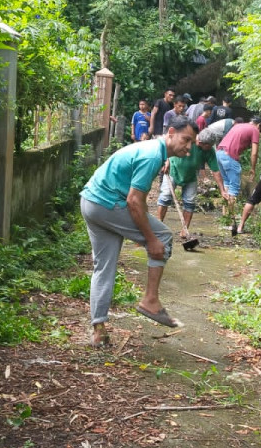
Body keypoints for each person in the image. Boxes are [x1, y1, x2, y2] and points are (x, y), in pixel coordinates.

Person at [79, 118, 198, 347]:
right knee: (162, 237)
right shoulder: (153, 154)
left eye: (192, 143)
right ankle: (150, 300)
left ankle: (98, 329)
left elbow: (137, 201)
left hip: (90, 202)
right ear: (171, 132)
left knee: (104, 265)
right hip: (106, 204)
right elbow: (134, 201)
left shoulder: (152, 150)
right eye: (186, 140)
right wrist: (150, 239)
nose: (189, 147)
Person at [156, 128, 223, 236]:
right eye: (209, 145)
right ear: (201, 142)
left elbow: (215, 170)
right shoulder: (187, 140)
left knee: (190, 202)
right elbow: (168, 146)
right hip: (173, 171)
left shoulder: (209, 150)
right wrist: (166, 160)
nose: (211, 148)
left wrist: (222, 190)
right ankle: (158, 225)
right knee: (165, 197)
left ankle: (185, 230)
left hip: (191, 176)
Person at [215, 117, 261, 218]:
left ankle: (225, 215)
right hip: (229, 156)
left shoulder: (238, 125)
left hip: (219, 153)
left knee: (227, 183)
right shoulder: (255, 130)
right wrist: (253, 169)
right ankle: (231, 217)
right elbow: (254, 153)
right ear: (258, 125)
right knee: (234, 188)